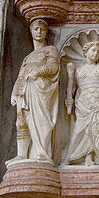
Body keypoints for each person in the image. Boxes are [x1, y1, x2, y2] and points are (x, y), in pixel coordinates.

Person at [10, 18, 60, 162]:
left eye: (42, 29)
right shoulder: (27, 57)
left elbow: (53, 67)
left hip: (39, 89)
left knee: (40, 121)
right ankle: (22, 154)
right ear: (31, 31)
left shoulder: (50, 50)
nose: (39, 32)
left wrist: (38, 72)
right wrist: (14, 92)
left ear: (46, 32)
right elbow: (20, 77)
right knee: (22, 122)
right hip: (24, 92)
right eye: (36, 29)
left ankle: (41, 153)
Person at [65, 41, 99, 165]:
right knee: (79, 130)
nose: (96, 54)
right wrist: (69, 96)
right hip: (83, 103)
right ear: (86, 52)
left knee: (94, 130)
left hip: (97, 101)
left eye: (98, 52)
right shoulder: (78, 70)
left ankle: (89, 156)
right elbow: (72, 89)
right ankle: (70, 156)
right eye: (93, 51)